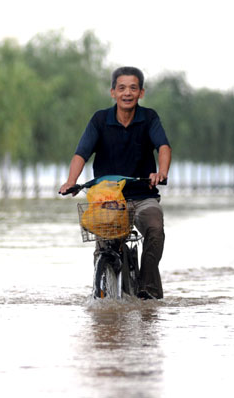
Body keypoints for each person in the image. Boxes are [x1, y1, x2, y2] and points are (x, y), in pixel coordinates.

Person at [59, 66, 172, 300]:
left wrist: (161, 172)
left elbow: (163, 146)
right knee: (104, 245)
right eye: (121, 88)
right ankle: (100, 290)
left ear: (141, 93)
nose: (127, 93)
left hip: (143, 197)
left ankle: (148, 288)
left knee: (155, 228)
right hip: (108, 200)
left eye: (133, 88)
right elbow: (81, 153)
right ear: (113, 92)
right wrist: (71, 181)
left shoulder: (149, 118)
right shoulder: (100, 120)